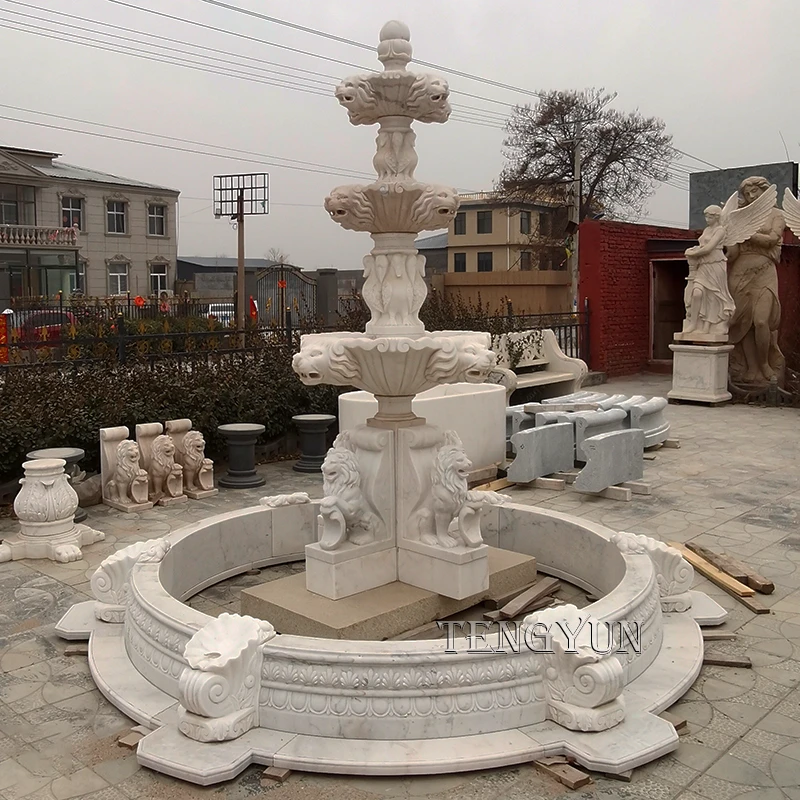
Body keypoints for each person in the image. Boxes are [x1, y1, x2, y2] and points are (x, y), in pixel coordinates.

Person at [726, 177, 785, 383]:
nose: (751, 196)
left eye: (754, 192)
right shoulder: (741, 217)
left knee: (761, 321)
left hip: (764, 271)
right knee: (744, 323)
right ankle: (750, 368)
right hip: (740, 273)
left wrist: (745, 231)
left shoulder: (776, 214)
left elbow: (771, 240)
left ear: (764, 191)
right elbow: (732, 254)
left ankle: (765, 364)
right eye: (748, 194)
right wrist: (727, 232)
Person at [682, 206, 735, 336]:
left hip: (716, 264)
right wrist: (694, 249)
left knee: (712, 296)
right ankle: (694, 323)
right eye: (706, 216)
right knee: (697, 293)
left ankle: (707, 325)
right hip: (704, 265)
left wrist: (693, 253)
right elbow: (702, 246)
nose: (707, 219)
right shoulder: (706, 229)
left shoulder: (720, 230)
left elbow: (709, 248)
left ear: (716, 217)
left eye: (710, 217)